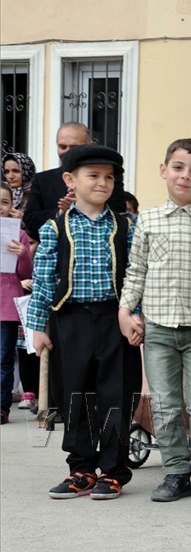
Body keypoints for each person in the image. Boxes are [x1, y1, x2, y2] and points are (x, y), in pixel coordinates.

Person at [117, 138, 191, 503]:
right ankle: (176, 471)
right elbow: (136, 271)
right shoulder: (146, 220)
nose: (185, 176)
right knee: (164, 403)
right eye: (178, 168)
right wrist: (125, 311)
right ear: (164, 171)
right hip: (159, 327)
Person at [28, 145, 141, 499]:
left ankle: (113, 471)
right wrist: (38, 326)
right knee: (75, 394)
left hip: (114, 320)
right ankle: (81, 469)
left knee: (115, 395)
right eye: (93, 175)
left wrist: (135, 314)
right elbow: (44, 277)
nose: (103, 183)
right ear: (70, 180)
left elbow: (137, 275)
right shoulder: (55, 227)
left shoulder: (126, 226)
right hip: (70, 319)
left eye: (109, 177)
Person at [23, 122, 128, 241]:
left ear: (90, 144)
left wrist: (84, 206)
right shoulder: (42, 180)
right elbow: (30, 220)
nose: (67, 152)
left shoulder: (108, 177)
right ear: (68, 180)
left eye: (74, 147)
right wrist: (62, 212)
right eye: (62, 147)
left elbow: (118, 212)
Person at [0, 182, 32, 424]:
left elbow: (26, 274)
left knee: (4, 359)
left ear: (13, 205)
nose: (1, 208)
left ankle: (1, 408)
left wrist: (22, 253)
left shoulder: (18, 234)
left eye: (5, 202)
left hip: (7, 305)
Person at [3, 151, 35, 217]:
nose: (10, 176)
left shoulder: (37, 193)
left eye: (16, 171)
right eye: (7, 172)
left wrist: (24, 220)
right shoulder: (4, 191)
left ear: (27, 171)